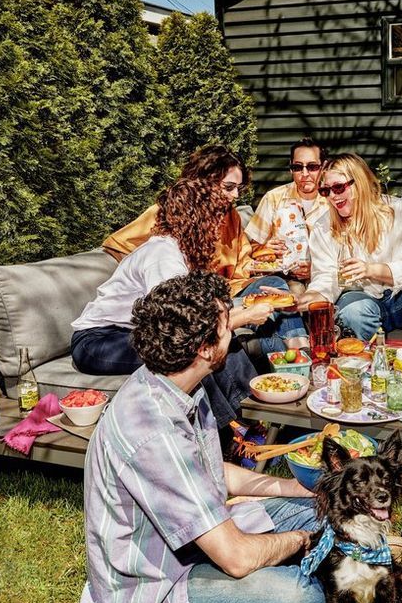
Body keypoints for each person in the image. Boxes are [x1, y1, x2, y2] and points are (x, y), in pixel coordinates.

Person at [76, 272, 325, 603]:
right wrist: (301, 538)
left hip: (200, 537)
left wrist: (298, 491)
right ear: (206, 348)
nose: (235, 328)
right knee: (302, 596)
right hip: (157, 584)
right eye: (228, 324)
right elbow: (238, 558)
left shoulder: (177, 383)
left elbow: (215, 473)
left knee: (322, 506)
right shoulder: (156, 431)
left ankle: (336, 539)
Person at [72, 176, 300, 427]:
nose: (217, 229)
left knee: (219, 342)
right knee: (199, 350)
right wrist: (246, 316)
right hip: (99, 342)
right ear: (196, 222)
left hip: (137, 332)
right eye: (213, 220)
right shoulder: (163, 255)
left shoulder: (183, 252)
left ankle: (258, 418)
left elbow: (202, 310)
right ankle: (238, 429)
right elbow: (186, 326)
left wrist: (246, 306)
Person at [100, 144, 309, 358]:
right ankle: (284, 370)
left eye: (239, 187)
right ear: (205, 182)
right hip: (199, 299)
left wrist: (264, 260)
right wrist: (146, 281)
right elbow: (118, 244)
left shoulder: (231, 216)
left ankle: (302, 353)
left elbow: (242, 259)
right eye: (229, 187)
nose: (236, 195)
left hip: (231, 287)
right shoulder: (172, 212)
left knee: (275, 288)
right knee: (263, 316)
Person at [297, 153, 402, 343]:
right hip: (360, 297)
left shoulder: (399, 211)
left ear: (359, 183)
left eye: (338, 187)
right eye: (326, 191)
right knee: (353, 312)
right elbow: (326, 277)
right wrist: (307, 298)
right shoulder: (323, 226)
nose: (333, 197)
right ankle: (362, 367)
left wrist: (371, 270)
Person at [244, 136, 330, 292]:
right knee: (293, 293)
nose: (304, 174)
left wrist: (316, 268)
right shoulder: (274, 198)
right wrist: (265, 248)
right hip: (285, 279)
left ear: (323, 167)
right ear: (291, 169)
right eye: (297, 167)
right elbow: (248, 248)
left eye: (312, 167)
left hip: (325, 277)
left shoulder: (334, 198)